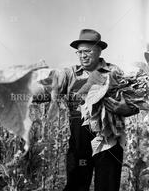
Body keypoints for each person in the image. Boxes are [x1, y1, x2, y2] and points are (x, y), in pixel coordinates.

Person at [50, 29, 139, 191]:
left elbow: (134, 103)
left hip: (109, 138)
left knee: (107, 184)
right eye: (80, 52)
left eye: (88, 51)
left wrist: (124, 108)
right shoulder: (70, 73)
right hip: (79, 138)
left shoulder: (114, 71)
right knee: (76, 184)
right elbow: (49, 88)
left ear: (99, 50)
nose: (83, 55)